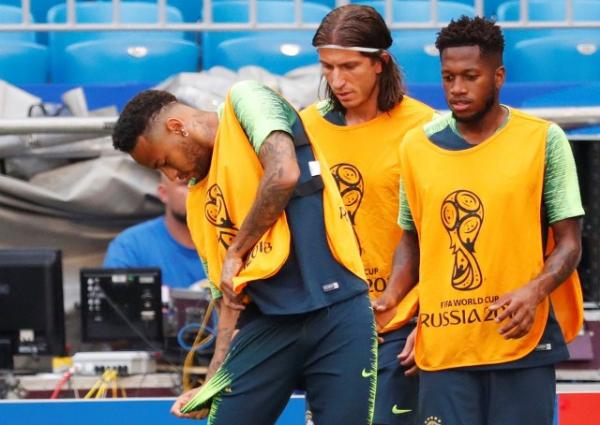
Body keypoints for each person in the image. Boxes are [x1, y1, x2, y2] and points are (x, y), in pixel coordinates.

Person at [111, 81, 377, 425]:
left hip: (340, 312)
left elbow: (283, 174)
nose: (172, 176)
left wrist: (237, 249)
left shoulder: (247, 101)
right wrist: (210, 383)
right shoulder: (197, 202)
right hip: (267, 325)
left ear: (177, 128)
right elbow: (227, 301)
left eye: (165, 161)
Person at [375, 16, 584, 425]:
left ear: (499, 75)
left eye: (471, 76)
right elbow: (412, 239)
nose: (457, 89)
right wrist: (391, 298)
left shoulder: (543, 140)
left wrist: (533, 291)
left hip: (520, 341)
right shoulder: (417, 146)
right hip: (445, 346)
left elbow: (570, 243)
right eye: (448, 77)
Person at [300, 5, 435, 425]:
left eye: (349, 66)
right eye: (327, 68)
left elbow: (441, 236)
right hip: (332, 320)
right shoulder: (305, 127)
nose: (337, 81)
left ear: (381, 63)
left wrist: (430, 319)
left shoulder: (425, 128)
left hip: (400, 319)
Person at [103, 174, 206, 288]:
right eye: (187, 184)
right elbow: (115, 301)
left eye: (204, 184)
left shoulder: (227, 242)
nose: (197, 191)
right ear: (163, 193)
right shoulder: (130, 247)